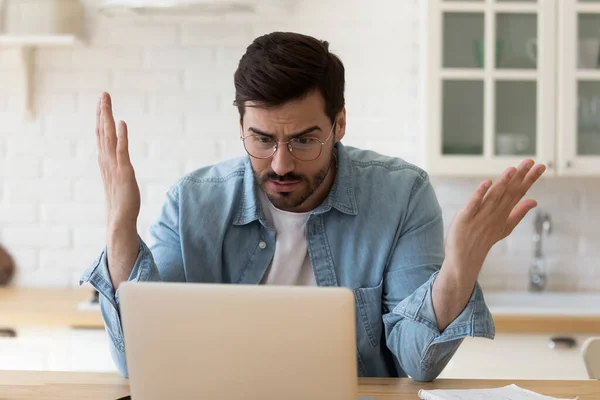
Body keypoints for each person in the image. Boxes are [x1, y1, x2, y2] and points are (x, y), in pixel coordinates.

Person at [80, 31, 546, 381]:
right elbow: (140, 360)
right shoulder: (193, 201)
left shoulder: (402, 194)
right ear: (240, 124)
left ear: (339, 123)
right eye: (261, 139)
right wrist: (121, 226)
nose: (281, 164)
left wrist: (460, 269)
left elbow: (415, 361)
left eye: (304, 140)